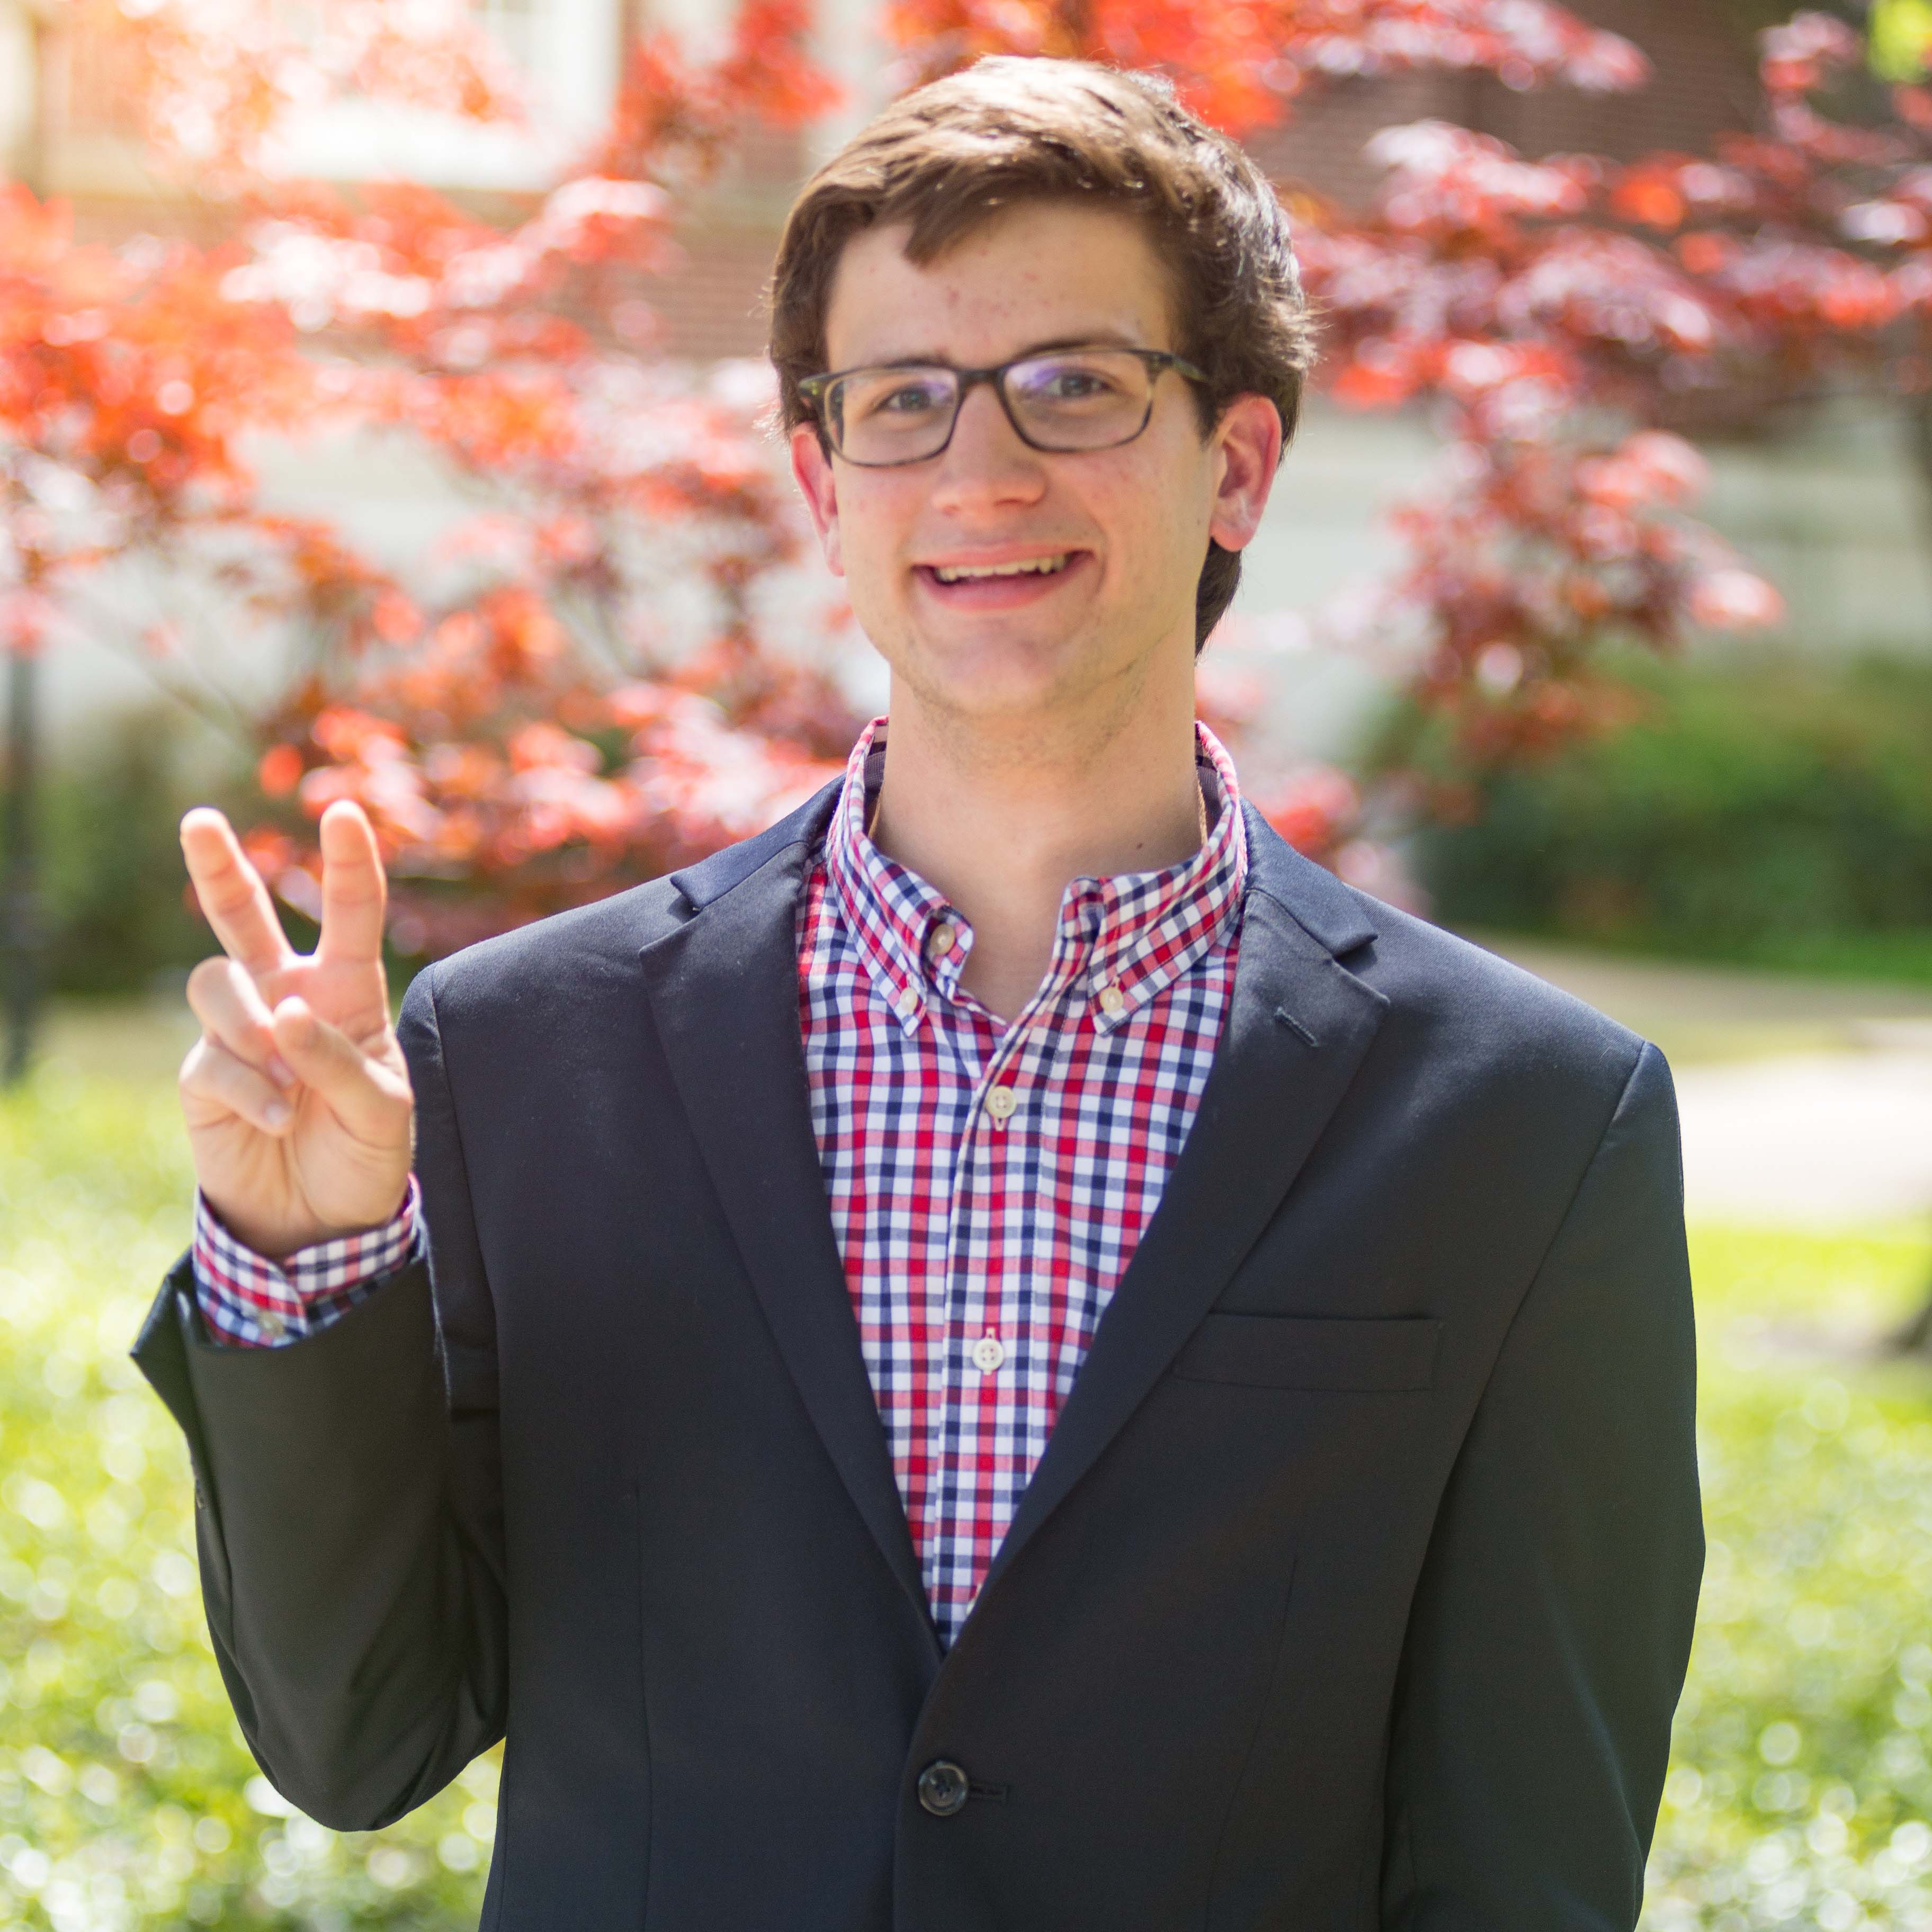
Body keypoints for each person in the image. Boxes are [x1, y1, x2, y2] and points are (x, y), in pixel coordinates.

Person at [137, 56, 1703, 1930]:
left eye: (1075, 385)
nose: (981, 469)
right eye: (904, 402)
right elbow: (355, 1739)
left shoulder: (1530, 1123)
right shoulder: (519, 1059)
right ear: (822, 482)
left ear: (1242, 461)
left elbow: (1531, 1863)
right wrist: (302, 1260)